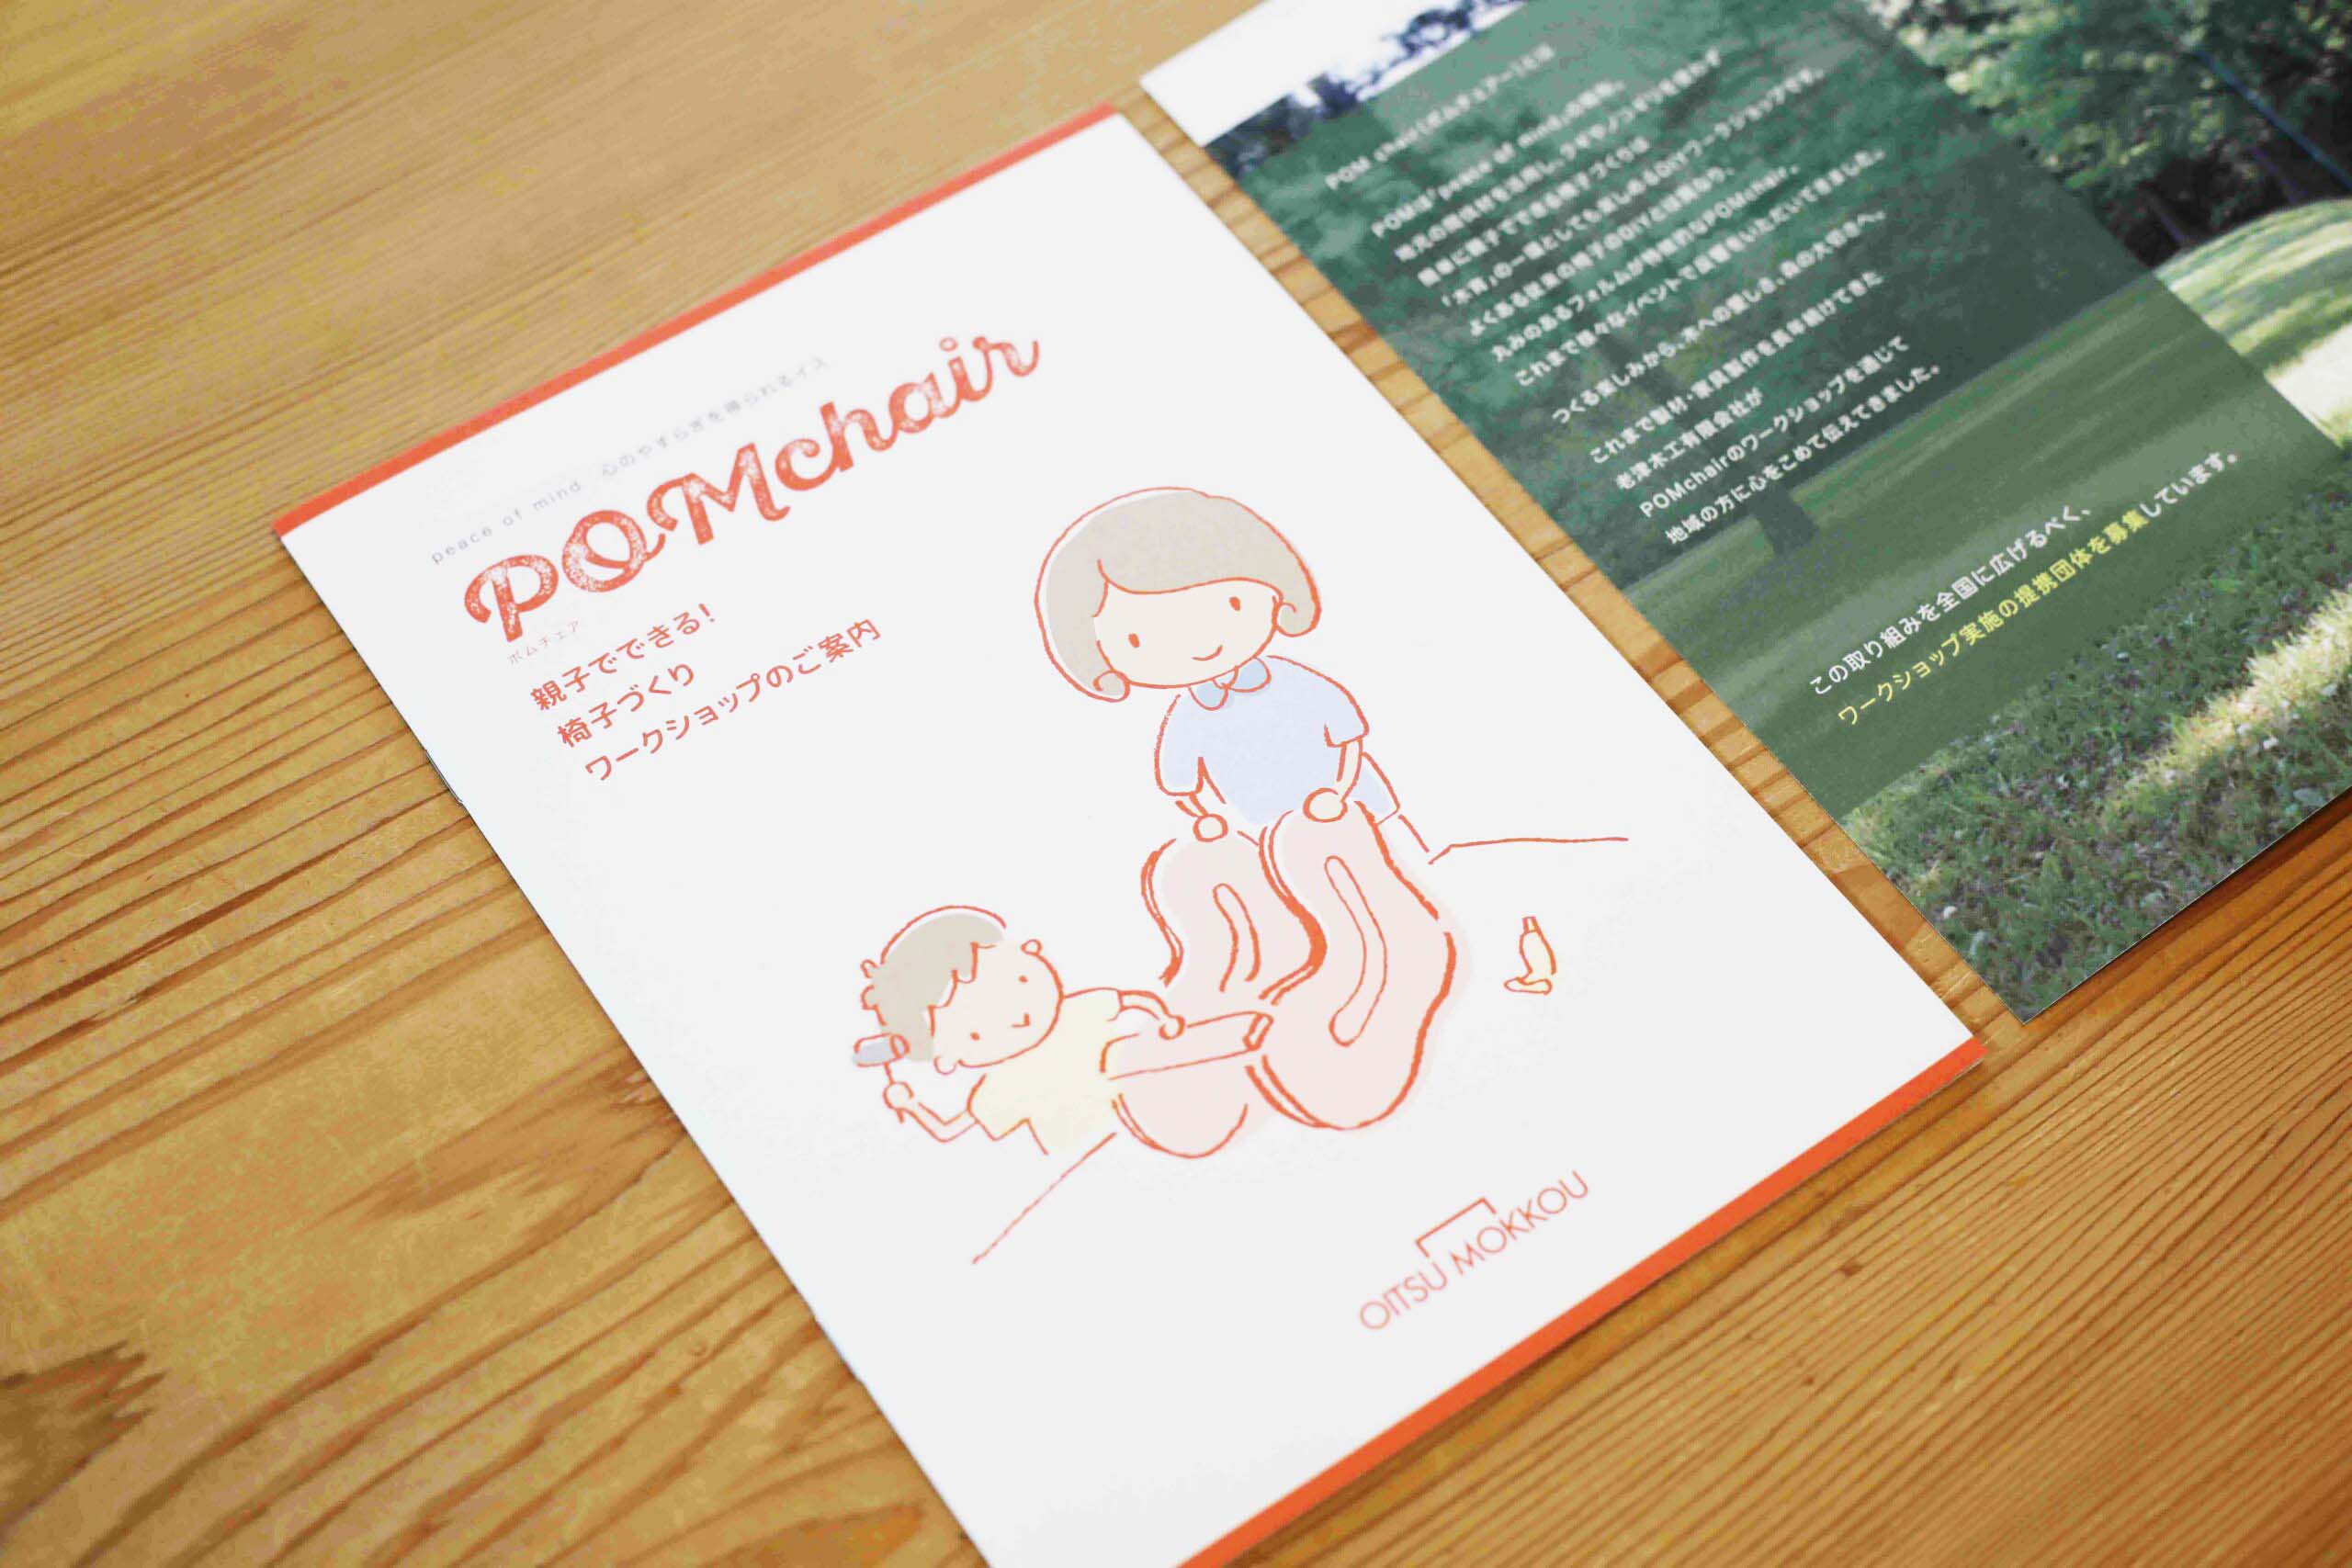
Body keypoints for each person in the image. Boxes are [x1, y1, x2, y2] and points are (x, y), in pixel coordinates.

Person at [1035, 487, 1403, 842]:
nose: (1200, 641)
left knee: (1399, 854)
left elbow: (1347, 734)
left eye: (1232, 605)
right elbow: (1181, 784)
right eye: (1138, 639)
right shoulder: (1188, 718)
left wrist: (1339, 790)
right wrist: (1207, 818)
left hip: (1359, 803)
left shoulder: (1294, 682)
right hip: (1275, 833)